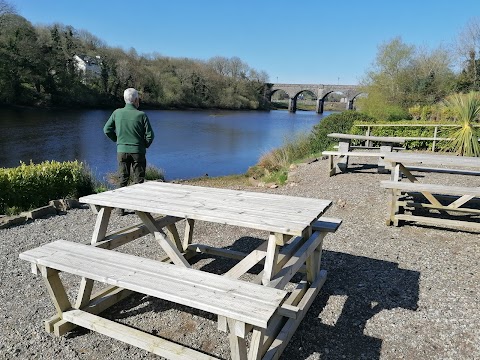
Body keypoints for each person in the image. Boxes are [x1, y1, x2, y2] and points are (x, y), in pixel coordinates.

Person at [103, 88, 155, 215]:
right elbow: (150, 135)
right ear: (136, 100)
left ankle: (120, 208)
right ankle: (138, 209)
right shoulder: (141, 115)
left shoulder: (117, 113)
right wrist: (144, 145)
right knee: (139, 180)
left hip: (122, 151)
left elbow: (106, 130)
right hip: (138, 151)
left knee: (122, 178)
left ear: (125, 99)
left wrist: (117, 140)